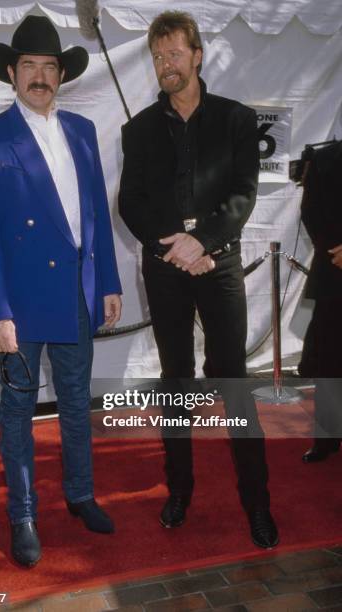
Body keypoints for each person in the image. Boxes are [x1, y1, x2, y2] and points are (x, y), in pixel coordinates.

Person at [0, 15, 122, 567]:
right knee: (17, 411)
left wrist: (109, 284)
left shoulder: (82, 130)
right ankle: (23, 512)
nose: (40, 76)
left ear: (61, 74)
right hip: (20, 307)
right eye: (29, 65)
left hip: (76, 295)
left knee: (77, 405)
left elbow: (96, 211)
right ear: (11, 72)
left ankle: (80, 494)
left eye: (49, 67)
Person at [119, 10, 278, 548]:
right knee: (176, 380)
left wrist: (203, 243)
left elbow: (242, 194)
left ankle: (258, 503)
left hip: (220, 265)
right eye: (158, 56)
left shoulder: (236, 119)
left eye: (174, 53)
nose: (165, 64)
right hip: (166, 268)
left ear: (197, 54)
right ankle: (179, 489)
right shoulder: (137, 129)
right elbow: (131, 202)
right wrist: (178, 248)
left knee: (232, 379)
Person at [300, 140, 342, 462]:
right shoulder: (324, 158)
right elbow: (310, 212)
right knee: (329, 360)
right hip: (334, 270)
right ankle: (327, 437)